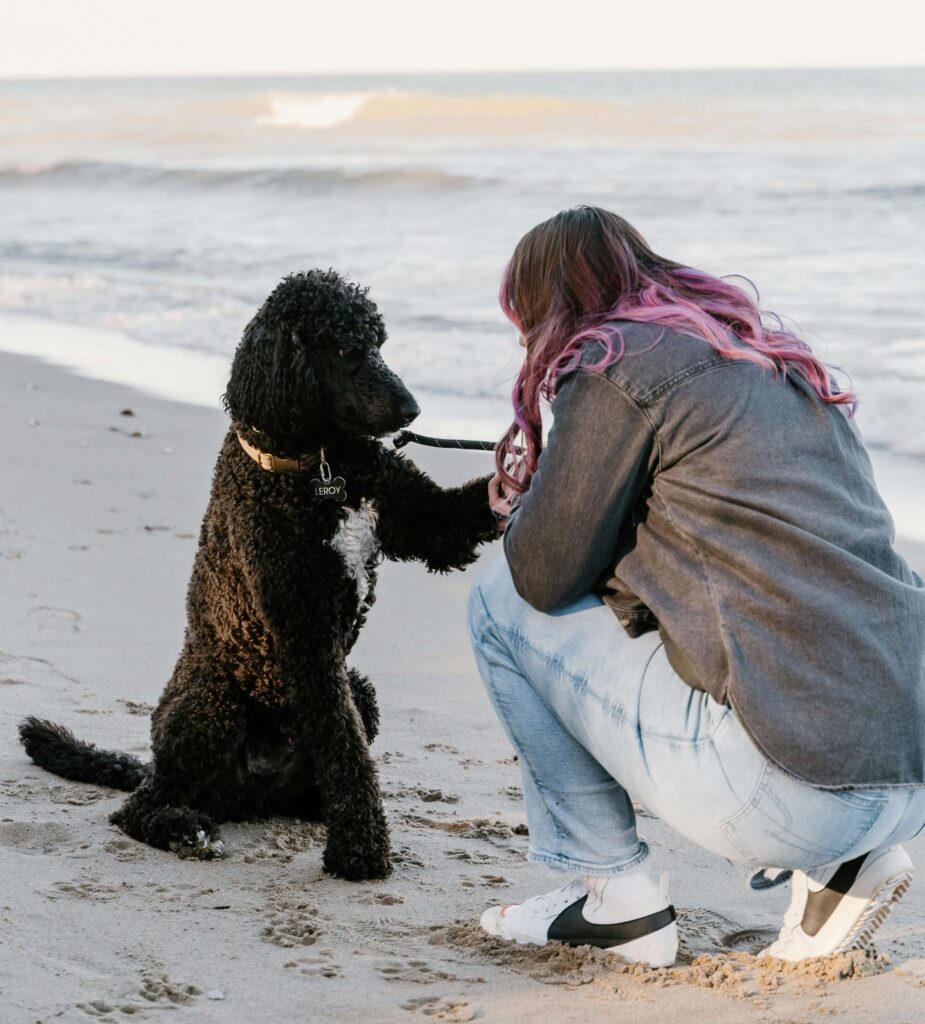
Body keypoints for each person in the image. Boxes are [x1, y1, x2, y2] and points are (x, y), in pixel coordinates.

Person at [466, 206, 925, 967]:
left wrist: (534, 502)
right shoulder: (775, 361)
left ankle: (617, 899)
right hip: (908, 776)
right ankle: (843, 868)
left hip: (789, 791)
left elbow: (543, 576)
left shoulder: (614, 360)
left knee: (499, 602)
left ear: (549, 308)